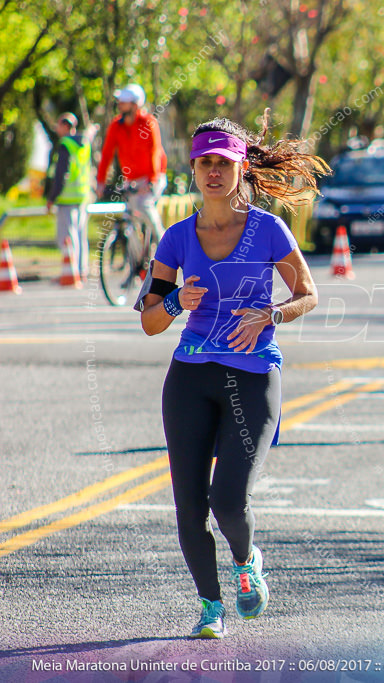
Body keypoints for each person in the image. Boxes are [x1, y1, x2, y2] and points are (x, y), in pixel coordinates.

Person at [138, 114, 327, 639]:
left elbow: (308, 293)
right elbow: (150, 320)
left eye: (224, 161)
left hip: (252, 375)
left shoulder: (268, 229)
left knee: (228, 498)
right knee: (189, 504)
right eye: (205, 162)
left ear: (241, 167)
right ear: (193, 170)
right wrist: (176, 300)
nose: (214, 171)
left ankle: (247, 562)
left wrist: (273, 314)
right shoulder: (177, 238)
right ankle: (209, 606)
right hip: (190, 378)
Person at [96, 83, 168, 239]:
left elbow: (155, 151)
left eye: (123, 102)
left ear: (135, 105)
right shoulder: (116, 125)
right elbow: (107, 154)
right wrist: (100, 182)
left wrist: (152, 181)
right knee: (129, 217)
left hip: (153, 177)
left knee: (145, 207)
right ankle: (135, 260)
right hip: (132, 180)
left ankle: (164, 244)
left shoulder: (148, 123)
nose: (119, 105)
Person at [46, 113, 91, 278]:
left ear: (65, 126)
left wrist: (52, 197)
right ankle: (81, 270)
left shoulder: (65, 144)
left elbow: (61, 174)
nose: (56, 128)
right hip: (82, 194)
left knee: (67, 237)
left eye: (58, 124)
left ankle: (71, 272)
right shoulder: (84, 144)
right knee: (80, 235)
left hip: (67, 197)